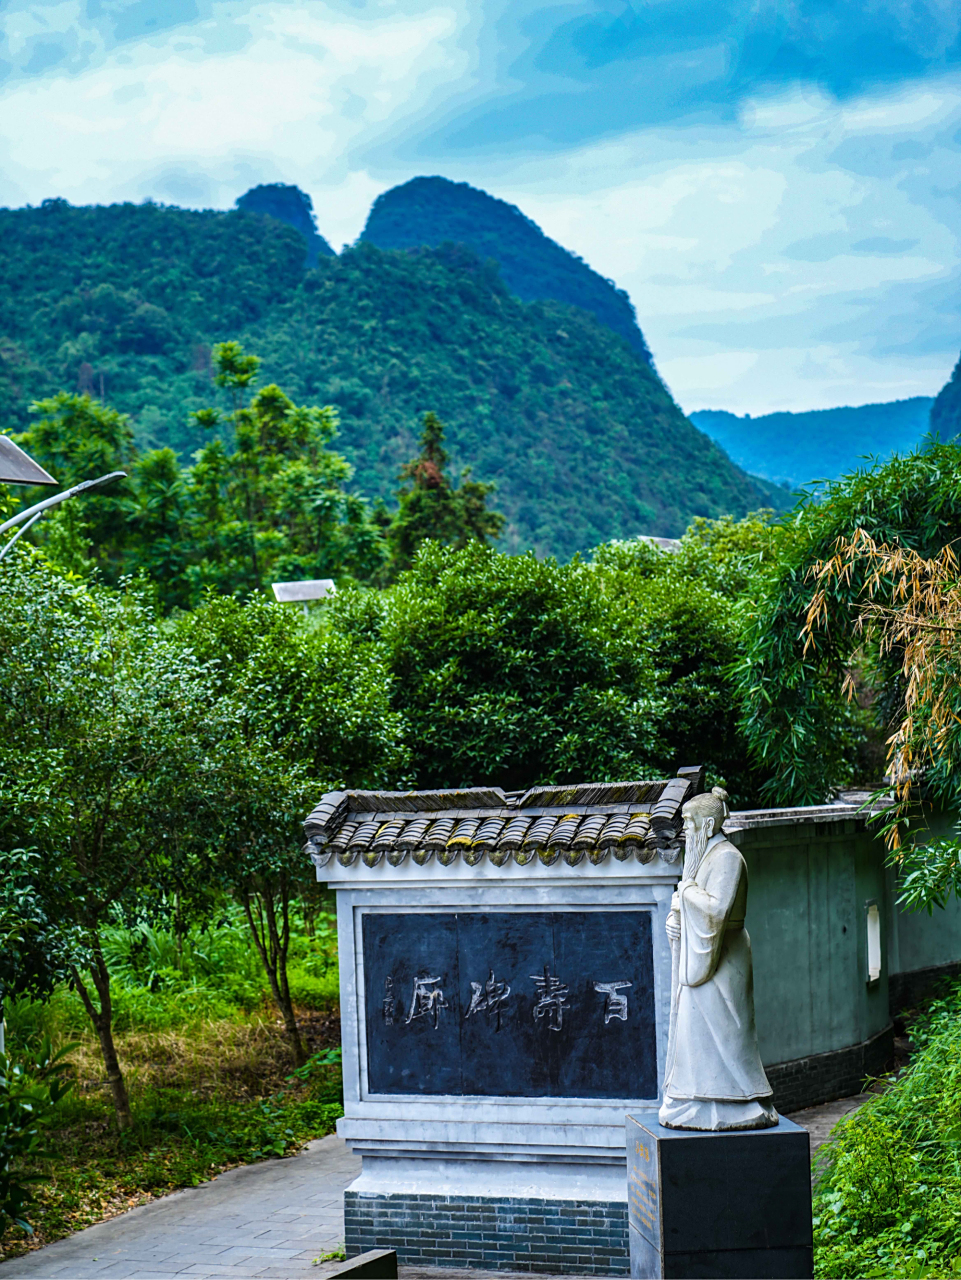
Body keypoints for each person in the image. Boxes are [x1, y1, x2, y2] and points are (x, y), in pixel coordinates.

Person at [659, 786, 777, 1131]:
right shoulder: (702, 857)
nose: (685, 832)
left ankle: (741, 1103)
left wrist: (687, 893)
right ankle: (696, 1099)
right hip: (704, 955)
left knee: (728, 1033)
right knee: (694, 1033)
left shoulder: (727, 858)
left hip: (723, 957)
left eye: (689, 824)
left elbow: (717, 910)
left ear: (708, 825)